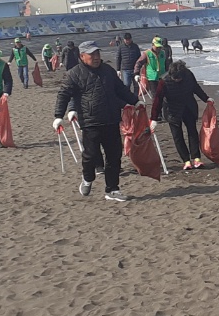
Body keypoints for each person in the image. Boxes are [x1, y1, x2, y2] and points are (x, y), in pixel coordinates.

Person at [52, 41, 135, 202]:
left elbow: (121, 89)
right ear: (82, 56)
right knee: (90, 156)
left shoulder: (108, 71)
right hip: (90, 121)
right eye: (92, 55)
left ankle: (112, 189)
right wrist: (58, 116)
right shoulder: (74, 74)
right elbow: (63, 95)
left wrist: (134, 101)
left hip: (111, 119)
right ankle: (87, 178)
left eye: (97, 53)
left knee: (114, 157)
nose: (96, 57)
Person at [151, 59, 213, 170]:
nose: (176, 80)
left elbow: (196, 88)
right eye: (174, 78)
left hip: (188, 107)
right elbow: (157, 100)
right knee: (177, 136)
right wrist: (154, 119)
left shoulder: (188, 75)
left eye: (178, 78)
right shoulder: (164, 81)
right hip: (172, 110)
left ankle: (196, 158)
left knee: (192, 132)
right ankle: (186, 161)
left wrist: (206, 98)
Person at [136, 35, 172, 100]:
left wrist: (169, 73)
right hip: (152, 78)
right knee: (155, 96)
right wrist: (136, 74)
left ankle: (163, 109)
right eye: (157, 47)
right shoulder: (147, 53)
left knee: (164, 95)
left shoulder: (163, 53)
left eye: (159, 47)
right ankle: (155, 109)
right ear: (152, 45)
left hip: (162, 77)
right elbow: (138, 63)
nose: (158, 49)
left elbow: (167, 63)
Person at [114, 32, 142, 96]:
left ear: (131, 39)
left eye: (128, 39)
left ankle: (135, 99)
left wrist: (140, 68)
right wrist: (118, 69)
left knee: (136, 86)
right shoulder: (121, 47)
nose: (127, 41)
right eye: (126, 39)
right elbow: (118, 58)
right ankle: (128, 99)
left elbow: (139, 58)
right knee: (127, 85)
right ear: (124, 39)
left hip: (135, 70)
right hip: (125, 70)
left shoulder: (135, 46)